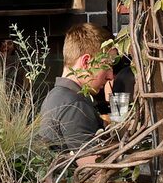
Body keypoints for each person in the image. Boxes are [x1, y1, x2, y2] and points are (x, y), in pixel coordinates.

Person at [35, 22, 113, 154]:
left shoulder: (58, 95)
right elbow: (93, 170)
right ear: (86, 62)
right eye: (106, 65)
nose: (110, 76)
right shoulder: (75, 106)